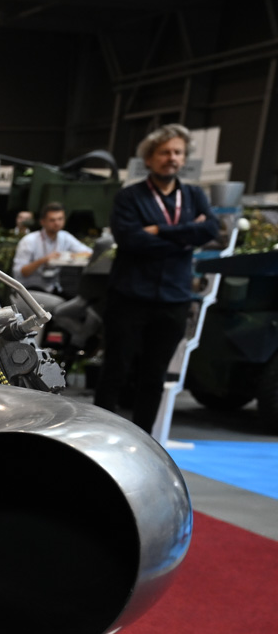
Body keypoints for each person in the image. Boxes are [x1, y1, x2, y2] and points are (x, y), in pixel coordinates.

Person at [102, 123, 220, 430]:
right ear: (149, 158)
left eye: (178, 153)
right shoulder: (130, 197)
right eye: (165, 152)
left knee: (154, 376)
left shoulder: (194, 195)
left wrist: (160, 231)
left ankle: (145, 438)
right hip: (129, 297)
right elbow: (130, 239)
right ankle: (97, 437)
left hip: (174, 299)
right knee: (115, 371)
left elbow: (210, 229)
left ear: (184, 158)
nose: (172, 158)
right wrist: (185, 238)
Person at [13, 202, 91, 308]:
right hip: (29, 289)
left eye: (60, 219)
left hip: (52, 287)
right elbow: (20, 272)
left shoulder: (64, 237)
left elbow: (89, 253)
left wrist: (72, 255)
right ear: (43, 222)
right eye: (52, 220)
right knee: (60, 305)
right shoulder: (29, 240)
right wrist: (43, 260)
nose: (57, 223)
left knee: (77, 304)